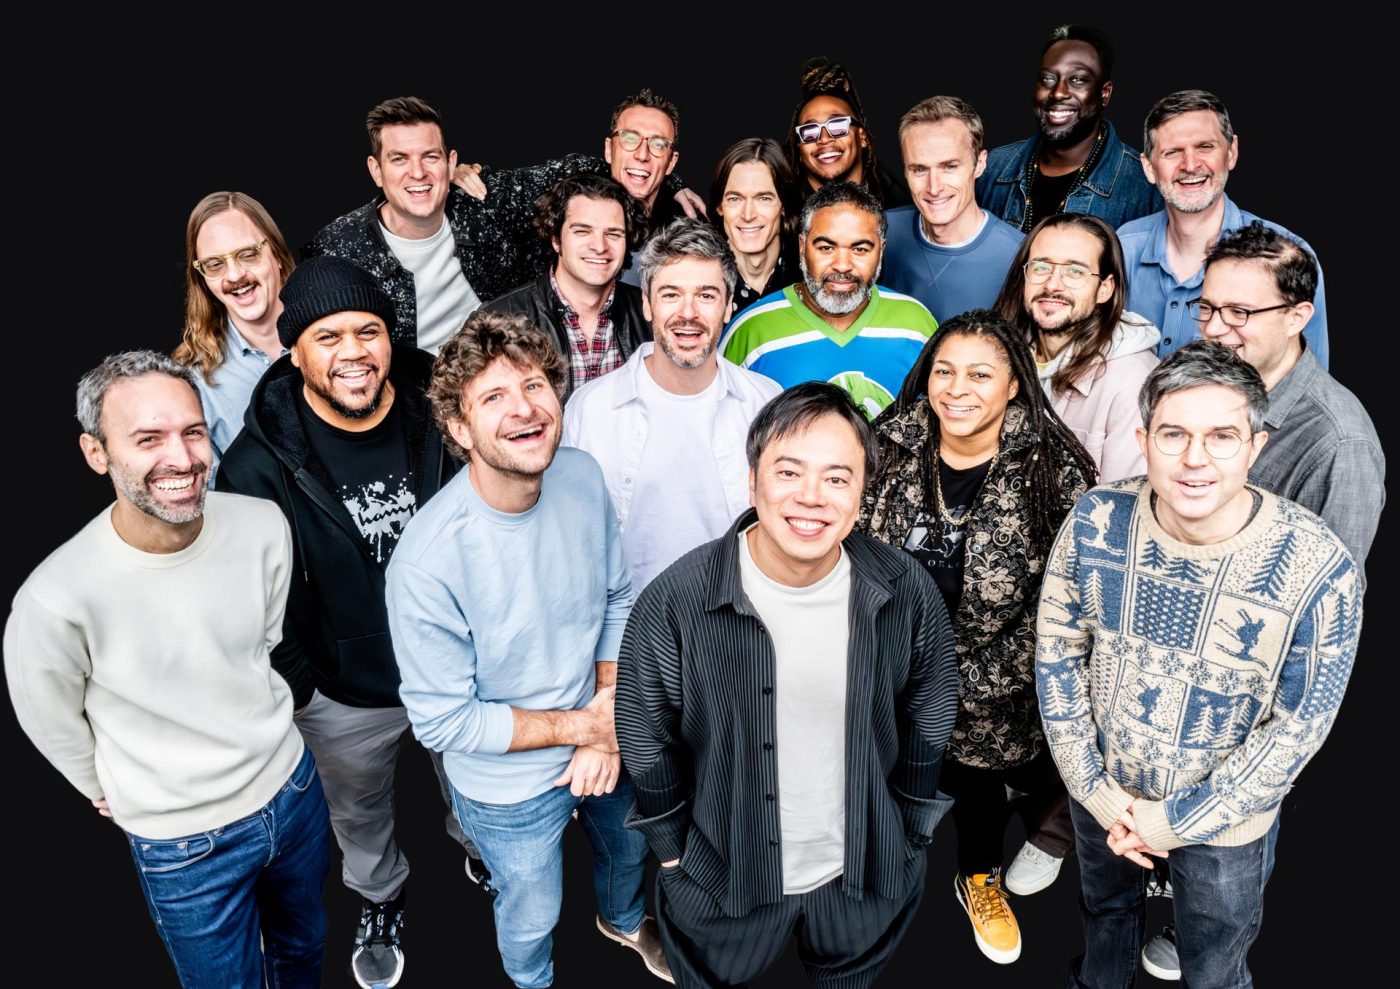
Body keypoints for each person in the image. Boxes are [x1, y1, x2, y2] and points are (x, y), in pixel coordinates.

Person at [1036, 340, 1362, 988]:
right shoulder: (1096, 518)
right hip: (1103, 794)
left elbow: (1298, 728)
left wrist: (1171, 821)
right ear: (1143, 439)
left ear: (1255, 446)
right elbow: (1056, 655)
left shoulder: (1320, 566)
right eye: (1174, 434)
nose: (1194, 458)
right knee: (1103, 918)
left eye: (1221, 436)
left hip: (1225, 824)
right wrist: (1098, 793)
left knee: (1213, 961)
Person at [4, 351, 330, 988]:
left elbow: (264, 643)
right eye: (148, 439)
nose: (181, 459)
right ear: (97, 453)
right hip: (184, 846)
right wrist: (113, 787)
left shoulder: (262, 524)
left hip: (293, 791)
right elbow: (48, 718)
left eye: (193, 431)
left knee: (303, 949)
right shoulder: (56, 596)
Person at [618, 382, 960, 987]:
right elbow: (645, 735)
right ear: (753, 482)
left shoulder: (904, 589)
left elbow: (931, 709)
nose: (811, 497)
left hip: (866, 872)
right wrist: (672, 854)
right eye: (789, 472)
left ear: (861, 491)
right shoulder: (676, 601)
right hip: (722, 875)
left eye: (837, 477)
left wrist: (909, 830)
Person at [387, 310, 670, 987]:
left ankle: (623, 920)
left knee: (629, 848)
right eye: (494, 396)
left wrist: (606, 714)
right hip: (507, 786)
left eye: (535, 385)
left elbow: (616, 597)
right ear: (459, 428)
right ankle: (531, 978)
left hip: (600, 726)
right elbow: (444, 722)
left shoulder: (580, 476)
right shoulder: (426, 563)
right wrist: (586, 727)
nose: (524, 408)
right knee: (531, 908)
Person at [217, 256, 474, 989]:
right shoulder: (255, 465)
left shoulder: (447, 412)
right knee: (359, 815)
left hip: (459, 669)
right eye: (328, 337)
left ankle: (479, 848)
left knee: (474, 787)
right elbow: (250, 597)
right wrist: (305, 686)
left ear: (392, 337)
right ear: (294, 352)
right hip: (344, 691)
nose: (353, 352)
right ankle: (381, 895)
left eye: (369, 330)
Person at [1135, 226, 1383, 980]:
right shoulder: (1204, 384)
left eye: (1241, 313)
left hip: (1245, 700)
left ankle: (1204, 936)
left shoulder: (1337, 443)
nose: (1216, 329)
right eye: (1208, 308)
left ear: (1300, 315)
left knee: (1220, 892)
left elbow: (1327, 617)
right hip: (1169, 668)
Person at [860, 310, 1095, 964]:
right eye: (945, 371)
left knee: (980, 787)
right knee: (895, 784)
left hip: (1001, 688)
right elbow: (849, 550)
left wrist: (966, 682)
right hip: (890, 672)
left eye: (980, 375)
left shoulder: (1054, 469)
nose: (957, 389)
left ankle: (978, 877)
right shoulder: (887, 444)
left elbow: (1069, 603)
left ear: (1014, 384)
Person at [563, 218, 780, 592]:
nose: (688, 313)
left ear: (729, 305)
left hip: (738, 617)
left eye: (706, 295)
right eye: (670, 294)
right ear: (647, 304)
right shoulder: (591, 409)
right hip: (628, 623)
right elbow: (568, 538)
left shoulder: (766, 402)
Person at [1118, 90, 1329, 366]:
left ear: (1231, 152)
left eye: (1205, 147)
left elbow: (1309, 379)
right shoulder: (1122, 247)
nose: (1190, 165)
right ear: (1149, 167)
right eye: (1173, 152)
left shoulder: (1288, 256)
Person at [721, 182, 938, 419]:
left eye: (860, 249)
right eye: (826, 248)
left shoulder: (916, 324)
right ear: (802, 246)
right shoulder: (751, 331)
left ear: (881, 250)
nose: (842, 265)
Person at [993, 213, 1159, 480]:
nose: (1052, 285)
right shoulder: (998, 353)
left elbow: (1123, 499)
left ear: (1105, 289)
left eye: (1075, 272)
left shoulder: (1133, 382)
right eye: (1041, 267)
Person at [484, 173, 651, 404]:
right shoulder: (498, 320)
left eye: (613, 234)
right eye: (582, 231)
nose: (599, 246)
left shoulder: (652, 314)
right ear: (556, 239)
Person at [978, 24, 1160, 232]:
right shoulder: (993, 169)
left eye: (1077, 80)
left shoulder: (1143, 186)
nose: (1058, 93)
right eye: (1047, 79)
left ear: (1104, 93)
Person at [174, 191, 294, 470]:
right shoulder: (192, 382)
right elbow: (209, 489)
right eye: (214, 264)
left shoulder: (336, 336)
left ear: (276, 254)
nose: (235, 275)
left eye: (248, 254)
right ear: (203, 278)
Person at [883, 96, 1025, 324]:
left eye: (949, 166)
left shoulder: (1020, 256)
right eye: (919, 169)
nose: (934, 188)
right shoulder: (879, 233)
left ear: (980, 164)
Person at [784, 56, 912, 209]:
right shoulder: (781, 212)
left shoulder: (901, 208)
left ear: (862, 137)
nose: (824, 138)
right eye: (810, 131)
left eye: (837, 125)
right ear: (799, 147)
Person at [709, 138, 802, 318]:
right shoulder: (700, 279)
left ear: (784, 205)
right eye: (735, 199)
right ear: (719, 207)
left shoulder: (809, 277)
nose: (748, 215)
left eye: (764, 199)